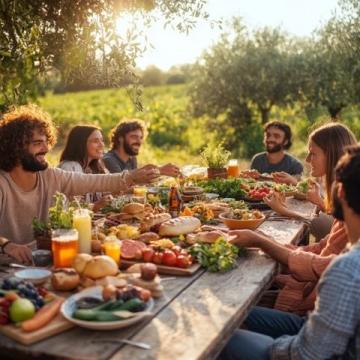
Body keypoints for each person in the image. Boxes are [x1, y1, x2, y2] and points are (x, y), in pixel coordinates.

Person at [221, 144, 360, 360]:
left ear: (340, 191)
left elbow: (305, 354)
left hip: (300, 344)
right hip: (317, 332)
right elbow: (317, 250)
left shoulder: (348, 269)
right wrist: (262, 240)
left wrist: (261, 240)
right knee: (235, 316)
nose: (307, 159)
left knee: (221, 331)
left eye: (313, 153)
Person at [0, 105, 160, 264]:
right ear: (17, 148)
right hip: (8, 268)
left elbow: (94, 182)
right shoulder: (3, 184)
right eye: (37, 143)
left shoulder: (50, 175)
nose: (46, 149)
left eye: (46, 142)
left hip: (45, 259)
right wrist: (6, 245)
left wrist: (131, 176)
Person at [58, 125, 112, 212]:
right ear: (81, 144)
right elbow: (69, 207)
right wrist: (94, 206)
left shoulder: (96, 166)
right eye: (95, 141)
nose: (102, 145)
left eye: (102, 140)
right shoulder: (69, 168)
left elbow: (110, 188)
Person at [103, 118, 181, 177]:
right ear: (120, 138)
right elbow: (121, 183)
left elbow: (137, 182)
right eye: (134, 137)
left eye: (141, 138)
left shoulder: (132, 158)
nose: (139, 141)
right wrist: (159, 171)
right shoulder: (109, 160)